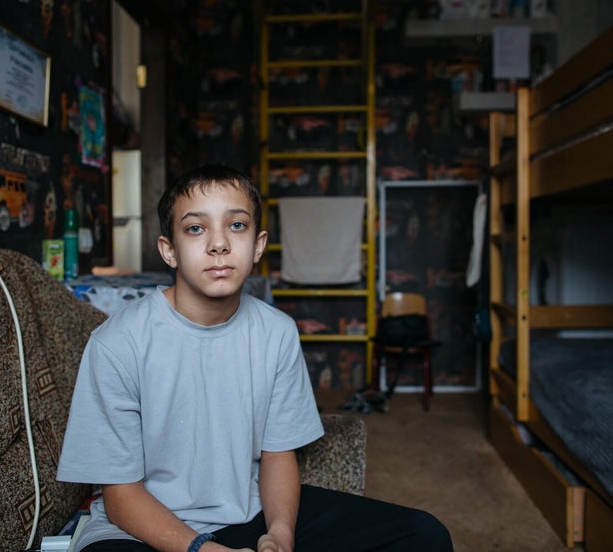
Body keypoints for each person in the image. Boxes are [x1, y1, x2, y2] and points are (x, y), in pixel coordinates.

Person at [57, 164, 453, 552]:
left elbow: (278, 456)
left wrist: (280, 535)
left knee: (424, 535)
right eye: (196, 228)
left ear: (258, 245)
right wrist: (202, 550)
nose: (218, 244)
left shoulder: (277, 333)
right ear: (170, 251)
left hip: (247, 516)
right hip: (140, 530)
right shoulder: (117, 343)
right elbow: (120, 494)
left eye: (237, 225)